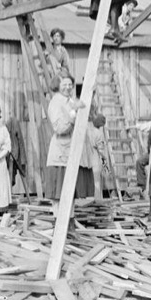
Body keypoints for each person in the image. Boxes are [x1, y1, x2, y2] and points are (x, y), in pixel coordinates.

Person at [45, 75, 94, 219]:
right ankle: (59, 226)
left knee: (70, 192)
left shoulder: (70, 101)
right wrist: (74, 113)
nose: (68, 87)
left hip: (72, 153)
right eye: (64, 84)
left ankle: (69, 225)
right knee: (59, 193)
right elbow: (60, 128)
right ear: (57, 85)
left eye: (70, 84)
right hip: (61, 153)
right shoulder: (56, 102)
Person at [86, 112, 109, 200]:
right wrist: (105, 160)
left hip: (87, 158)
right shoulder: (98, 133)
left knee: (89, 182)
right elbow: (101, 150)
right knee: (97, 182)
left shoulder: (87, 131)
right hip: (95, 158)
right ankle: (97, 199)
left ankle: (89, 199)